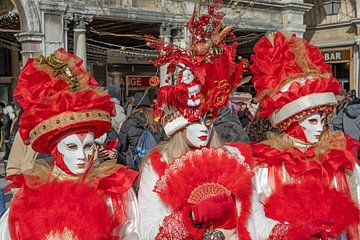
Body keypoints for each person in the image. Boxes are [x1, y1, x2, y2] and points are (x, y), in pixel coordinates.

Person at [138, 2, 279, 239]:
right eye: (195, 121)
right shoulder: (158, 166)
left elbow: (255, 220)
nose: (203, 128)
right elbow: (146, 229)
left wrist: (287, 232)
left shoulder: (233, 158)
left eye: (208, 119)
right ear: (179, 126)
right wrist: (189, 218)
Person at [0, 48, 140, 239]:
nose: (82, 156)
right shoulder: (28, 200)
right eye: (72, 147)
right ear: (54, 149)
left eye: (88, 146)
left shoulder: (115, 194)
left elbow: (131, 233)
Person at [250, 31, 360, 239]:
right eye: (311, 121)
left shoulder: (339, 161)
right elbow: (255, 219)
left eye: (322, 120)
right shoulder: (267, 168)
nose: (320, 128)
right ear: (291, 123)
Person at [118, 91, 164, 170]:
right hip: (153, 166)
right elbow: (164, 143)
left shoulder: (128, 123)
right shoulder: (156, 122)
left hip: (134, 168)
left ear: (135, 106)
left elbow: (122, 147)